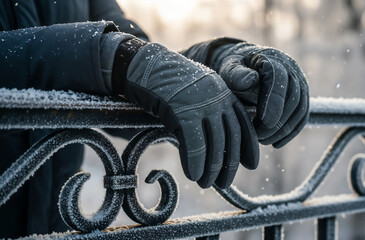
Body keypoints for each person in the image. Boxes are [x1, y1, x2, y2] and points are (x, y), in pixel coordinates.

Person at [0, 0, 309, 238]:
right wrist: (115, 58)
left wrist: (216, 60)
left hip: (56, 227)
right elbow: (111, 55)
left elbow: (129, 58)